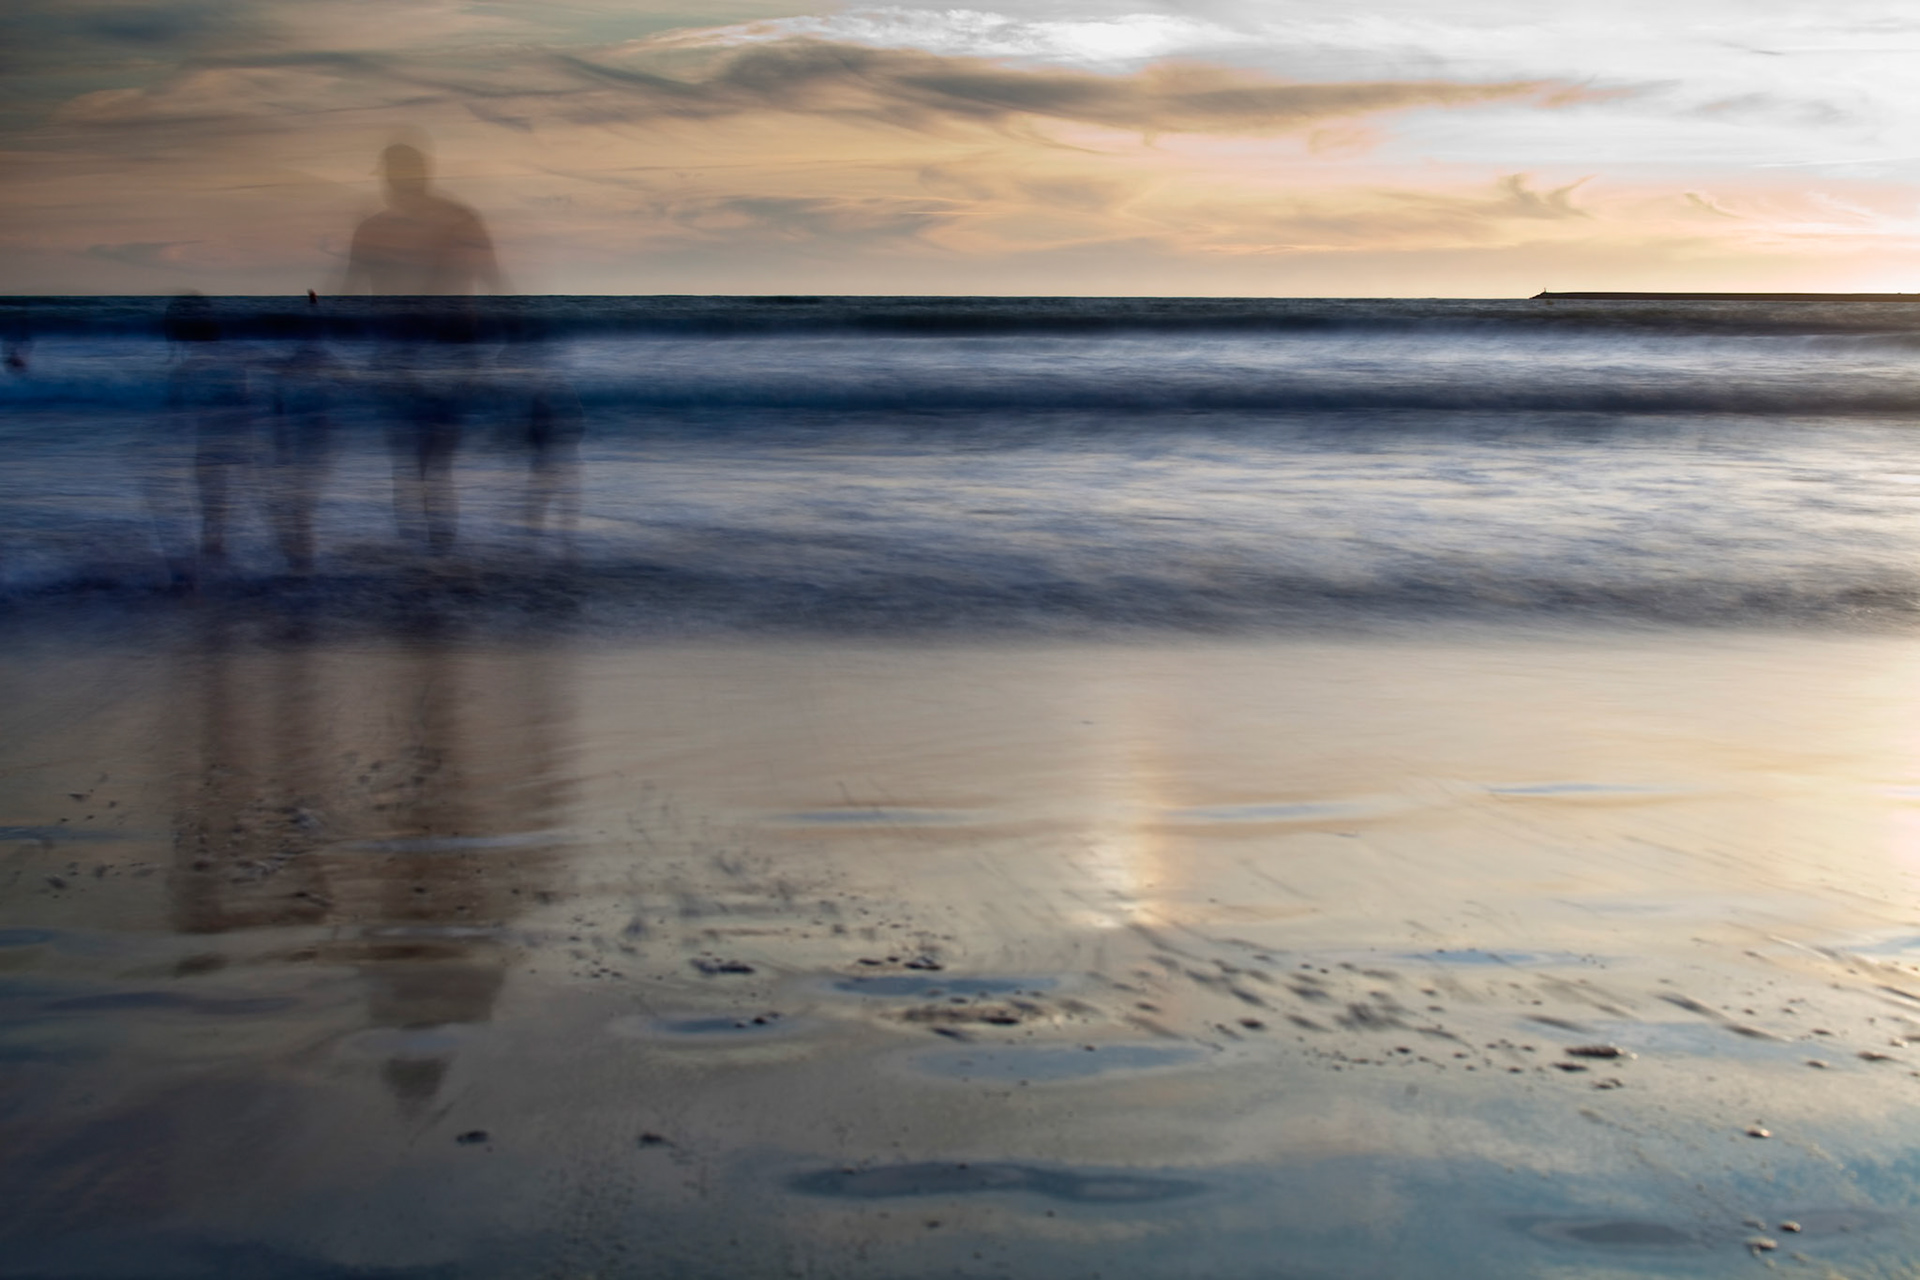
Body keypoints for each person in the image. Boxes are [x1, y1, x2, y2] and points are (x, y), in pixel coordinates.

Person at [343, 143, 501, 555]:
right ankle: (430, 558)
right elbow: (498, 287)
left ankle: (424, 559)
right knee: (426, 463)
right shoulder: (455, 218)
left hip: (428, 350)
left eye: (391, 174)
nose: (389, 183)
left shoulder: (442, 221)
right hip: (429, 351)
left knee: (416, 463)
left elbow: (347, 297)